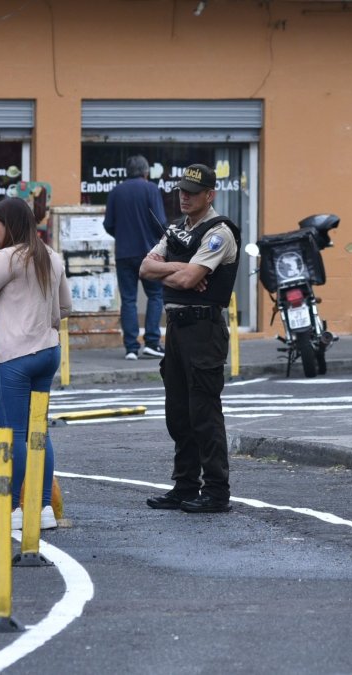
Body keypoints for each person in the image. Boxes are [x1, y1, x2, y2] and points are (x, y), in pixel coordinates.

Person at [139, 163, 239, 514]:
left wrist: (179, 272)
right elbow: (145, 269)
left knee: (204, 413)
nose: (184, 196)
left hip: (203, 329)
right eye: (181, 190)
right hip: (177, 328)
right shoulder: (177, 230)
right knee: (178, 412)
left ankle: (216, 490)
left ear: (210, 195)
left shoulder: (219, 232)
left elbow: (187, 279)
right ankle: (184, 486)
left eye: (193, 193)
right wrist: (181, 270)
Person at [0, 197, 72, 531]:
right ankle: (41, 509)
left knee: (13, 435)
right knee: (39, 432)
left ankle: (10, 510)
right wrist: (44, 319)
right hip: (47, 352)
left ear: (8, 225)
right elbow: (65, 308)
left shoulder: (6, 258)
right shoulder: (50, 256)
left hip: (14, 354)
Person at [104, 155, 168, 360]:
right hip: (149, 253)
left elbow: (108, 224)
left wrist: (122, 237)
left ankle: (131, 347)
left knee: (128, 300)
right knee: (156, 295)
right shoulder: (150, 189)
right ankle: (152, 342)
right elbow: (160, 222)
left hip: (124, 253)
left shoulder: (116, 192)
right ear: (146, 172)